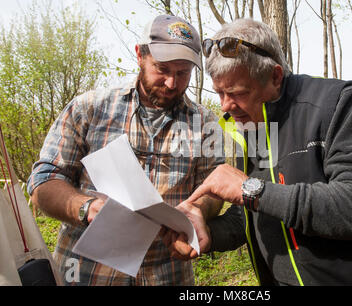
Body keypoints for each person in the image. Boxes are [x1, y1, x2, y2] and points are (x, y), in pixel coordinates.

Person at [163, 18, 352, 286]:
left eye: (237, 92)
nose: (225, 106)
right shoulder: (256, 126)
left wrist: (250, 188)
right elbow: (258, 211)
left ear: (275, 77)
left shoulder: (340, 103)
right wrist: (207, 233)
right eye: (220, 94)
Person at [27, 14, 224, 286]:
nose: (171, 83)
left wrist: (198, 209)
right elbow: (43, 181)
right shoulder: (90, 108)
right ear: (139, 55)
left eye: (183, 73)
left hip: (167, 275)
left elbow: (213, 190)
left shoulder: (205, 124)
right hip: (87, 274)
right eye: (162, 69)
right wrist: (87, 208)